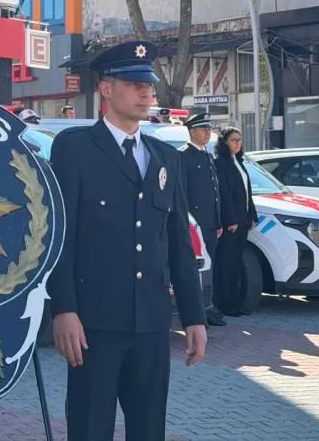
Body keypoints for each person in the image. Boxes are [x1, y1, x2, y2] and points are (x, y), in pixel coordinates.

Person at [48, 40, 206, 441]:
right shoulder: (74, 148)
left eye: (148, 86)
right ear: (105, 89)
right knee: (89, 429)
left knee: (149, 429)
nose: (145, 94)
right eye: (134, 84)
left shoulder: (164, 157)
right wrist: (63, 308)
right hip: (94, 324)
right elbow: (58, 236)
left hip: (152, 323)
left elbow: (177, 243)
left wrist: (193, 316)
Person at [179, 112, 225, 327]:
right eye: (203, 129)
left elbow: (214, 194)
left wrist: (217, 222)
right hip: (194, 226)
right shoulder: (184, 156)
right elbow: (183, 195)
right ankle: (197, 311)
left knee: (210, 267)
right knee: (194, 270)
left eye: (209, 128)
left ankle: (208, 306)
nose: (208, 133)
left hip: (209, 224)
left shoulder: (206, 155)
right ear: (192, 131)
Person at [212, 127, 257, 317]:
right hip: (231, 222)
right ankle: (224, 304)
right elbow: (224, 194)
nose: (238, 143)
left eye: (239, 140)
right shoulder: (220, 163)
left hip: (243, 221)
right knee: (226, 263)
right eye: (233, 140)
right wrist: (230, 219)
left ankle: (235, 302)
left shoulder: (238, 161)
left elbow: (247, 192)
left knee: (236, 262)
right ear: (224, 142)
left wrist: (252, 216)